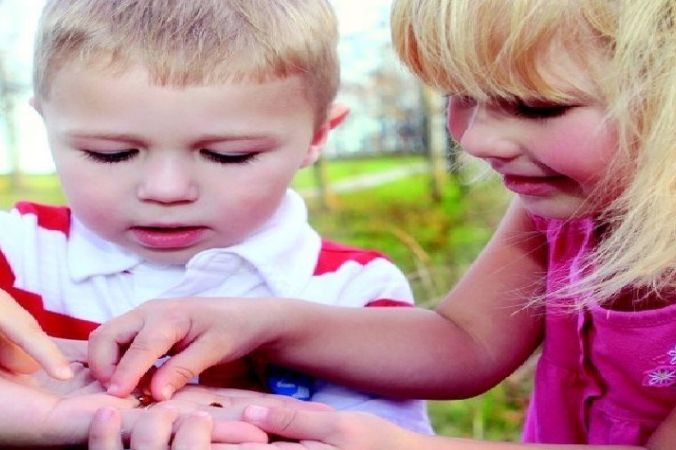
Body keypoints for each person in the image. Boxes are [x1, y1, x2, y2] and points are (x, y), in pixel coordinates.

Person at [88, 0, 676, 448]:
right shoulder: (568, 206)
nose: (479, 139)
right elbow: (463, 344)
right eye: (460, 97)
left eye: (537, 106)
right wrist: (263, 322)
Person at [0, 0, 432, 446]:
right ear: (45, 125)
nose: (166, 190)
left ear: (318, 136)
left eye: (229, 155)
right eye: (111, 153)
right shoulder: (17, 252)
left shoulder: (353, 295)